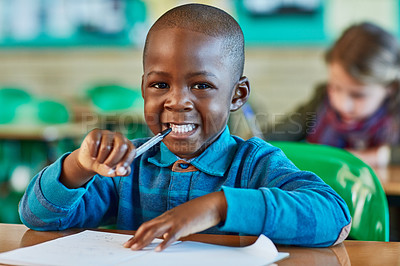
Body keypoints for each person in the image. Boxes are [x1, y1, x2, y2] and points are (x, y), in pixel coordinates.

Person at [19, 3, 351, 251]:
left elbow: (334, 217)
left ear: (237, 95)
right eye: (160, 86)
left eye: (202, 86)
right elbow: (39, 218)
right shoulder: (126, 169)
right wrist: (78, 165)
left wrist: (218, 206)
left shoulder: (254, 164)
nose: (177, 102)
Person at [264, 22, 400, 167]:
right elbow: (274, 136)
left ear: (390, 87)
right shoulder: (321, 101)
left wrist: (375, 156)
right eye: (335, 87)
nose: (342, 105)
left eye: (358, 95)